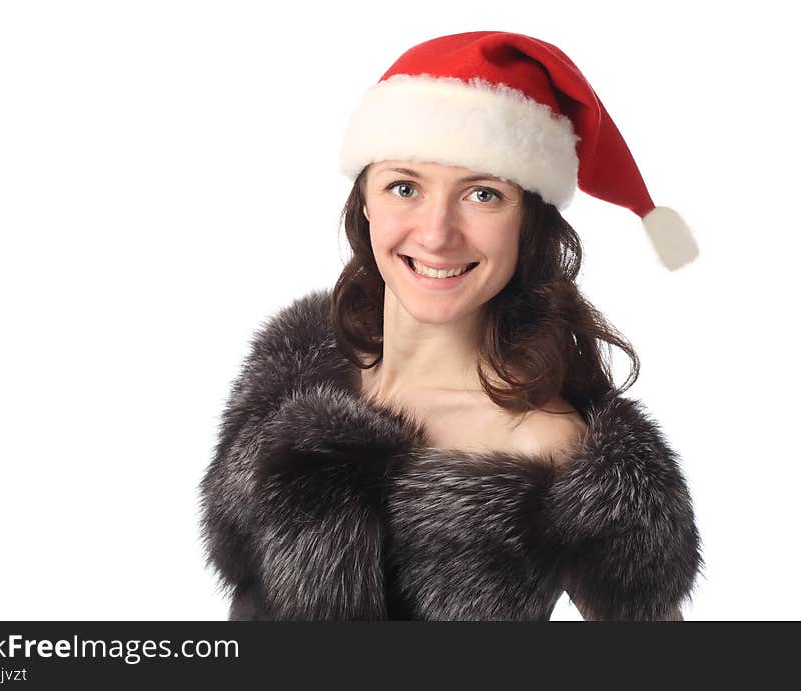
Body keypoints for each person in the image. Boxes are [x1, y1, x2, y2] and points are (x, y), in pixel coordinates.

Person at [198, 30, 704, 621]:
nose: (437, 233)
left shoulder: (546, 446)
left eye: (483, 194)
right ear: (365, 200)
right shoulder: (289, 375)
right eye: (404, 186)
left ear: (528, 225)